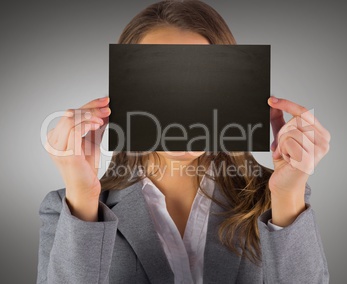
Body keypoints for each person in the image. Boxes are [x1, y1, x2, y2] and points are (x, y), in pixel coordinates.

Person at [37, 0, 330, 283]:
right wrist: (84, 198)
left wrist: (288, 194)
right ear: (127, 93)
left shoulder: (279, 202)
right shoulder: (68, 209)